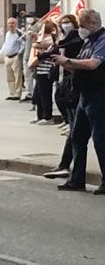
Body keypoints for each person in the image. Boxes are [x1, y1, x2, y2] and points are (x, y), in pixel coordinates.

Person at [52, 9, 105, 193]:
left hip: (99, 95)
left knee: (100, 139)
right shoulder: (88, 41)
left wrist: (69, 61)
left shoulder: (102, 40)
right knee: (77, 137)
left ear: (92, 23)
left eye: (82, 25)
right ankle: (76, 180)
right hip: (84, 95)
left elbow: (93, 64)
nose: (80, 29)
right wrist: (64, 62)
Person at [43, 15, 86, 180]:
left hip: (81, 92)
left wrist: (66, 61)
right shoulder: (67, 40)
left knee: (80, 134)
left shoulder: (81, 41)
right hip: (69, 89)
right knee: (77, 134)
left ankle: (67, 168)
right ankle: (71, 173)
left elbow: (88, 64)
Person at [29, 18, 60, 126]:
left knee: (45, 94)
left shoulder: (51, 39)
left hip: (46, 70)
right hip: (39, 69)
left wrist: (35, 41)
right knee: (38, 95)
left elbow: (36, 45)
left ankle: (48, 116)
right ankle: (40, 115)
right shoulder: (43, 38)